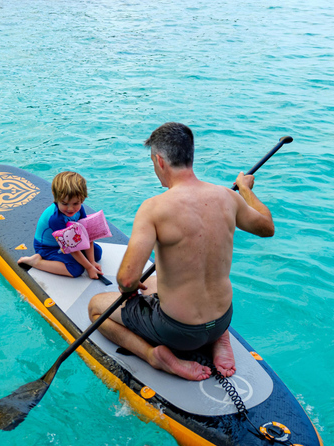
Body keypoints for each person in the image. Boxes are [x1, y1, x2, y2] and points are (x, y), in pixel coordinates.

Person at [87, 123, 274, 381]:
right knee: (154, 282)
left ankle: (155, 357)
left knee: (96, 308)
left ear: (159, 161)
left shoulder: (153, 208)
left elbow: (127, 280)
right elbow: (267, 227)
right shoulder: (228, 198)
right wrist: (246, 191)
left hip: (178, 333)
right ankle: (219, 338)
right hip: (222, 318)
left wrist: (129, 292)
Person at [18, 171, 104, 279]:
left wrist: (92, 262)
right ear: (56, 198)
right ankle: (36, 262)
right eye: (64, 203)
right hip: (47, 247)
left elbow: (87, 235)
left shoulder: (80, 209)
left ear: (82, 200)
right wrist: (89, 268)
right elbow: (72, 247)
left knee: (97, 253)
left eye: (75, 203)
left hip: (66, 242)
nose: (70, 209)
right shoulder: (56, 218)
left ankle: (85, 261)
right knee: (76, 269)